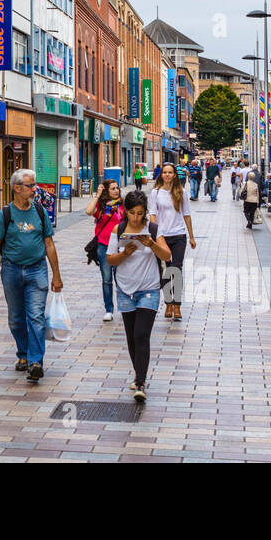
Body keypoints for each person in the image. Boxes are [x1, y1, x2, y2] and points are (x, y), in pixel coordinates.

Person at [0, 168, 64, 383]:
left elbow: (49, 243)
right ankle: (23, 353)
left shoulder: (39, 211)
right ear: (17, 188)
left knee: (36, 317)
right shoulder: (5, 214)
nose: (34, 189)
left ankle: (36, 361)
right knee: (16, 319)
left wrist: (56, 275)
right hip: (11, 270)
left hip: (37, 269)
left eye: (34, 185)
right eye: (30, 186)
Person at [107, 190, 172, 402]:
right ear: (126, 211)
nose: (136, 217)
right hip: (125, 289)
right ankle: (139, 374)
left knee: (141, 334)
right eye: (132, 212)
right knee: (131, 337)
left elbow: (167, 255)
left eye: (140, 213)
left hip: (149, 289)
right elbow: (110, 260)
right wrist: (124, 253)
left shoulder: (152, 229)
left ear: (145, 213)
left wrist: (151, 244)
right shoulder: (119, 230)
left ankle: (141, 382)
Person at [150, 162, 195, 320]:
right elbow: (152, 215)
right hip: (161, 237)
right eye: (165, 172)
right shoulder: (155, 193)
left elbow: (187, 214)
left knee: (176, 270)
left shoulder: (180, 192)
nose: (167, 175)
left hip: (178, 236)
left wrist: (191, 236)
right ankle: (168, 302)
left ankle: (177, 305)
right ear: (161, 175)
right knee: (165, 271)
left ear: (175, 175)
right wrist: (155, 235)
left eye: (170, 172)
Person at [86, 178, 125, 321]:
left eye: (117, 188)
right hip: (103, 246)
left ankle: (124, 305)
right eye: (113, 189)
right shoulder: (102, 208)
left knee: (121, 278)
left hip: (120, 246)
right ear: (106, 191)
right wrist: (97, 195)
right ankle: (109, 309)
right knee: (107, 279)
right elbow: (88, 211)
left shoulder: (123, 206)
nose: (116, 191)